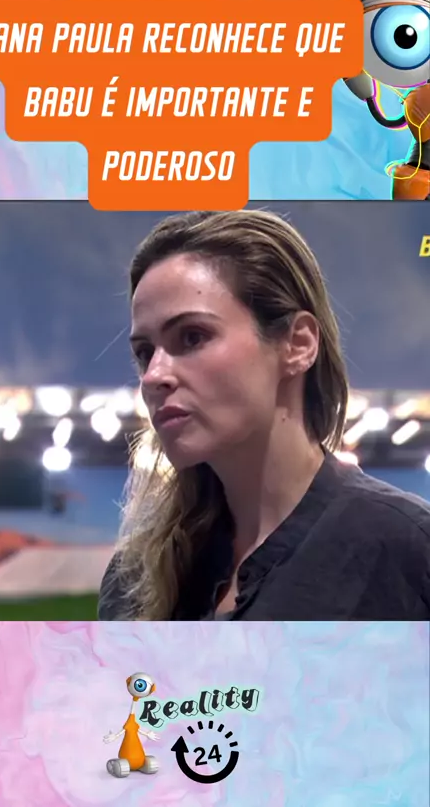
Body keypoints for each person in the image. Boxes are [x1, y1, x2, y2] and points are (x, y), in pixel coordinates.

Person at [98, 209, 430, 621]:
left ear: (298, 344)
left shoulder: (407, 552)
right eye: (145, 352)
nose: (153, 376)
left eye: (193, 336)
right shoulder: (132, 581)